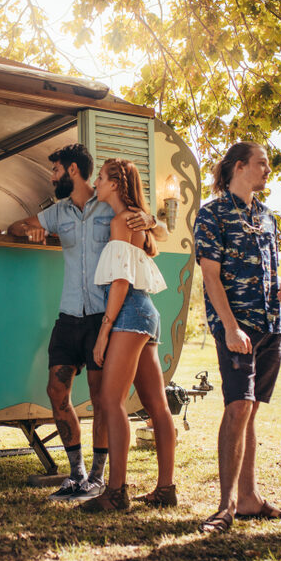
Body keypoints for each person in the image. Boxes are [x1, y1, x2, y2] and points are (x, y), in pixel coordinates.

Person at [8, 144, 164, 502]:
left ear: (73, 170)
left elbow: (147, 223)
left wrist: (154, 220)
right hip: (68, 315)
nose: (52, 177)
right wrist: (26, 231)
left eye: (56, 170)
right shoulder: (57, 212)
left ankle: (98, 476)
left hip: (102, 316)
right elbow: (17, 225)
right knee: (56, 391)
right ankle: (76, 474)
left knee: (101, 399)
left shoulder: (109, 205)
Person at [193, 141, 281, 535]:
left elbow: (269, 269)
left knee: (250, 409)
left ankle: (250, 498)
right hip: (238, 327)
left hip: (272, 326)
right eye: (261, 164)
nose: (267, 170)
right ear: (239, 167)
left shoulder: (267, 216)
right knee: (237, 407)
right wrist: (231, 327)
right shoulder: (212, 213)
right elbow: (210, 275)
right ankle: (225, 506)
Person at [79, 159, 176, 512]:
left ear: (116, 184)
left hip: (128, 313)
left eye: (101, 178)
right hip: (145, 313)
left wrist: (105, 330)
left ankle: (116, 492)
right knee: (157, 405)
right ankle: (166, 489)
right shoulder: (135, 219)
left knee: (110, 399)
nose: (96, 182)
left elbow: (120, 279)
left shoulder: (123, 220)